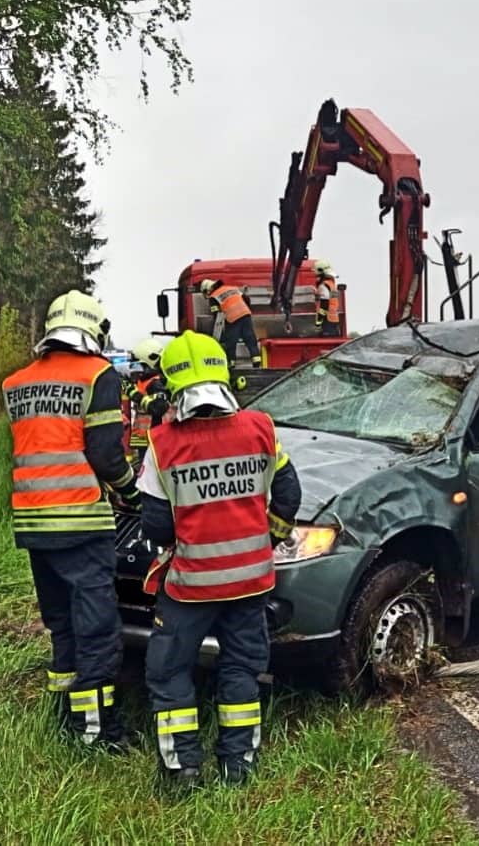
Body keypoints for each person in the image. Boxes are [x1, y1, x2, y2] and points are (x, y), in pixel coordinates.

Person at [137, 332, 302, 789]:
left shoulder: (162, 444)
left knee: (169, 671)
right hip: (252, 582)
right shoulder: (260, 428)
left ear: (172, 385)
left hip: (191, 587)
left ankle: (183, 770)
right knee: (242, 669)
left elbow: (155, 526)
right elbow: (289, 494)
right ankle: (239, 765)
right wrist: (267, 538)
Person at [2, 290, 139, 746]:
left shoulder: (17, 382)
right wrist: (131, 494)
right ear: (93, 330)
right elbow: (106, 454)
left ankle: (65, 714)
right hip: (80, 520)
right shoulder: (97, 374)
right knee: (96, 630)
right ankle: (97, 732)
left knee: (61, 624)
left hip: (33, 522)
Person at [127, 336, 171, 468]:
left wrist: (135, 395)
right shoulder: (144, 381)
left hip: (154, 438)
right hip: (145, 439)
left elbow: (159, 407)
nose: (136, 370)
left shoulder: (155, 383)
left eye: (139, 365)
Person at [199, 278, 261, 367]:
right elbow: (247, 299)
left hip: (232, 317)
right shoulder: (231, 288)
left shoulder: (214, 297)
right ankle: (256, 362)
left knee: (231, 341)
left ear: (208, 289)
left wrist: (217, 332)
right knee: (250, 339)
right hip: (245, 314)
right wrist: (243, 308)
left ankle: (231, 363)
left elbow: (217, 315)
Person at [313, 261, 342, 337]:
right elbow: (332, 301)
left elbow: (324, 304)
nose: (316, 277)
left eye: (317, 275)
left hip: (327, 321)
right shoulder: (331, 284)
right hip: (334, 320)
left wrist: (318, 322)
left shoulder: (324, 286)